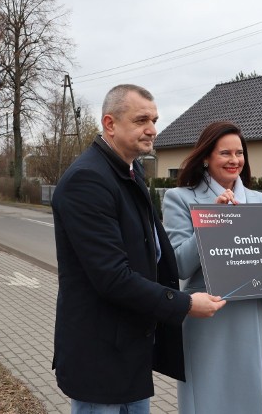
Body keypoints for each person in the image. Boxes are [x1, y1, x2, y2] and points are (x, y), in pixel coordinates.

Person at [51, 84, 226, 414]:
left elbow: (156, 252)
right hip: (100, 359)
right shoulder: (88, 180)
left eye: (155, 119)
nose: (152, 129)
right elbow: (112, 277)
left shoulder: (130, 172)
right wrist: (185, 303)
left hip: (130, 350)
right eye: (142, 119)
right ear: (110, 124)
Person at [162, 121, 262, 414]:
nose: (234, 161)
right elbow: (179, 264)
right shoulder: (180, 198)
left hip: (251, 317)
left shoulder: (260, 200)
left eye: (239, 153)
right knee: (207, 401)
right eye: (225, 153)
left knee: (251, 401)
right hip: (208, 317)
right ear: (206, 157)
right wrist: (212, 221)